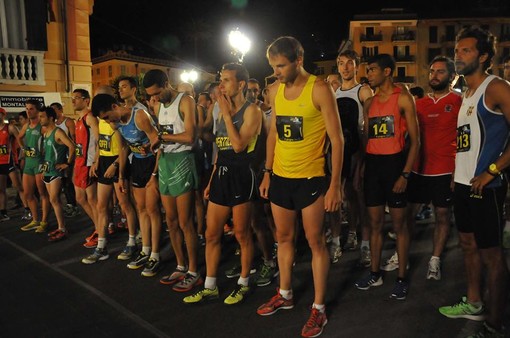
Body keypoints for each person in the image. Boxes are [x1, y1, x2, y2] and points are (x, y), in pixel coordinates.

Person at [257, 36, 344, 338]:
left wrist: (335, 185)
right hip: (281, 177)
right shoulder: (274, 90)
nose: (276, 71)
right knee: (283, 237)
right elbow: (272, 136)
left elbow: (337, 139)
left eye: (280, 65)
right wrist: (268, 172)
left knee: (315, 241)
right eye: (273, 66)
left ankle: (318, 309)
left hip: (311, 178)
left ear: (298, 60)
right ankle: (285, 293)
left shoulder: (319, 89)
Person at [438, 26, 510, 338]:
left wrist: (493, 170)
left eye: (465, 50)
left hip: (488, 187)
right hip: (465, 185)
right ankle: (475, 303)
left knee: (492, 255)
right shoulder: (466, 94)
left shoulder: (496, 88)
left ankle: (495, 324)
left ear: (482, 56)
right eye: (457, 50)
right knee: (467, 245)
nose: (458, 55)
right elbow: (466, 143)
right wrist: (458, 175)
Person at [183, 62, 262, 305]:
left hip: (241, 174)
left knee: (241, 233)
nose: (221, 84)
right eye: (221, 79)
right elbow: (220, 145)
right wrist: (213, 175)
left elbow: (238, 146)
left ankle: (243, 282)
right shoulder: (218, 108)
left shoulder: (252, 111)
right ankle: (210, 285)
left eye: (226, 80)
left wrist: (226, 114)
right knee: (211, 233)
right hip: (222, 174)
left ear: (241, 84)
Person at [354, 53, 420, 301]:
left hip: (395, 166)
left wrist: (405, 173)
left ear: (387, 72)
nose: (368, 74)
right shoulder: (369, 104)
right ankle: (375, 272)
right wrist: (362, 167)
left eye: (372, 70)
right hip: (373, 167)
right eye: (368, 70)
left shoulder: (403, 98)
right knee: (374, 225)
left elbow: (416, 141)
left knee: (399, 226)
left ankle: (402, 277)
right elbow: (368, 139)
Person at [142, 69, 201, 290]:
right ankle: (181, 266)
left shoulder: (185, 100)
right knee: (171, 222)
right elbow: (162, 140)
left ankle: (194, 271)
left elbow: (190, 136)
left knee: (186, 222)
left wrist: (162, 137)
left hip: (183, 160)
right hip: (166, 162)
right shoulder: (158, 106)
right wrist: (155, 172)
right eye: (151, 95)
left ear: (167, 83)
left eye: (157, 93)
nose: (154, 98)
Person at [91, 92, 162, 277]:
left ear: (115, 106)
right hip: (137, 164)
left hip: (152, 163)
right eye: (103, 119)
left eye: (106, 117)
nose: (107, 122)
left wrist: (154, 172)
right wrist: (122, 175)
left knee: (153, 210)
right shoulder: (116, 123)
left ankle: (155, 254)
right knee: (141, 209)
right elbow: (124, 148)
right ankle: (145, 251)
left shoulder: (139, 115)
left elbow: (158, 141)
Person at [406, 56, 461, 280]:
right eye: (431, 71)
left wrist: (458, 170)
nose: (434, 76)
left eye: (440, 72)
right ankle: (402, 255)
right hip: (419, 170)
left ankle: (435, 259)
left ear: (452, 76)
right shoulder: (418, 104)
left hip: (445, 170)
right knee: (407, 215)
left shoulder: (460, 102)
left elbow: (465, 137)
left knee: (442, 215)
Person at [333, 49, 374, 267]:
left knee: (360, 199)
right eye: (341, 63)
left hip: (358, 152)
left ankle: (365, 245)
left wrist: (365, 159)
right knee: (341, 198)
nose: (345, 67)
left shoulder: (364, 91)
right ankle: (345, 236)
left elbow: (368, 127)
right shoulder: (333, 92)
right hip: (340, 154)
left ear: (357, 66)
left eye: (350, 63)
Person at [39, 106, 75, 241]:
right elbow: (47, 154)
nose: (40, 119)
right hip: (48, 170)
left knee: (55, 199)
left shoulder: (58, 132)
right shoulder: (45, 133)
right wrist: (43, 169)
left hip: (56, 171)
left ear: (51, 118)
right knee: (53, 200)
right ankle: (61, 227)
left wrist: (67, 163)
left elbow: (72, 146)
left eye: (42, 116)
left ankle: (62, 228)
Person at [72, 89, 99, 248]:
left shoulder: (89, 118)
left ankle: (100, 230)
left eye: (77, 98)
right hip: (80, 163)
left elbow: (99, 139)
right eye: (72, 98)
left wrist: (95, 161)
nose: (73, 101)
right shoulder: (79, 119)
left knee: (92, 200)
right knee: (80, 199)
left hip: (88, 163)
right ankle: (99, 226)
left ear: (86, 100)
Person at [18, 100, 50, 232]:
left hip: (40, 163)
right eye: (27, 108)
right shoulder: (26, 126)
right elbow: (19, 138)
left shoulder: (42, 127)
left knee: (42, 193)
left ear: (37, 110)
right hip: (29, 164)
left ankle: (44, 221)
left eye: (31, 109)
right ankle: (35, 220)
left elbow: (50, 141)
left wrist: (45, 152)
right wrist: (23, 149)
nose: (28, 111)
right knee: (27, 193)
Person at [50, 102, 79, 219]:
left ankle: (73, 205)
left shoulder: (68, 122)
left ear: (60, 110)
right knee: (61, 181)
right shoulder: (53, 124)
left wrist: (72, 158)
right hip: (58, 157)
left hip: (68, 156)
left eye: (54, 110)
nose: (53, 113)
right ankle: (68, 204)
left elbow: (74, 139)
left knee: (68, 181)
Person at [0, 108, 27, 221]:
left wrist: (23, 156)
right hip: (0, 163)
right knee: (1, 190)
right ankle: (3, 213)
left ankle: (28, 209)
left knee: (19, 187)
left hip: (10, 161)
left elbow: (21, 142)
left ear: (3, 115)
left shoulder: (10, 128)